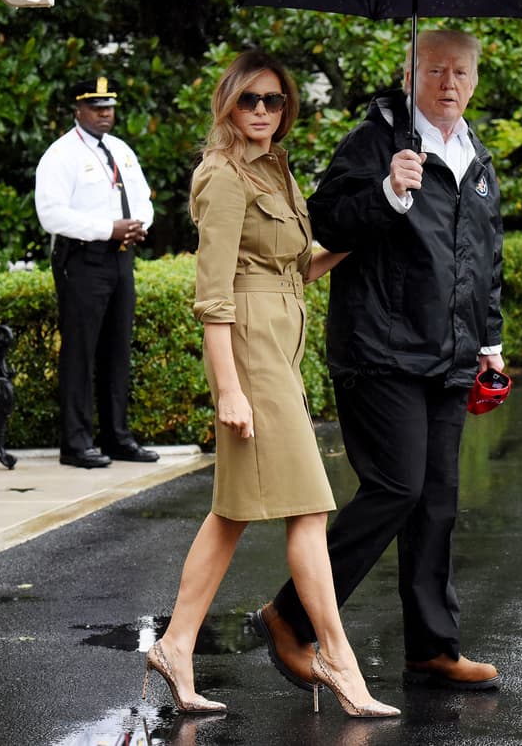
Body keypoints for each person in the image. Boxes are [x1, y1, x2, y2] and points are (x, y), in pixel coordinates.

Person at [141, 50, 399, 719]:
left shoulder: (276, 169)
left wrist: (384, 210)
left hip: (280, 340)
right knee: (310, 507)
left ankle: (175, 644)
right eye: (251, 99)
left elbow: (300, 265)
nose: (263, 111)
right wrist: (227, 387)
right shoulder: (222, 177)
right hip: (249, 347)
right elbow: (214, 296)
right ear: (227, 102)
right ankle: (336, 657)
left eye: (275, 101)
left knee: (231, 511)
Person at [252, 29, 505, 693]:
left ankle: (432, 648)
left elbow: (486, 258)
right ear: (410, 73)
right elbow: (326, 223)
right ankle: (289, 614)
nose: (449, 82)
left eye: (461, 72)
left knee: (437, 502)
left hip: (449, 355)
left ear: (475, 81)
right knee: (398, 486)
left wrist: (490, 340)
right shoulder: (376, 141)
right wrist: (389, 194)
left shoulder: (476, 156)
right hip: (379, 350)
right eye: (435, 70)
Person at [35, 77, 160, 468]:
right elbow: (51, 214)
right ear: (78, 110)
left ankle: (117, 438)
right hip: (83, 259)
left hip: (121, 257)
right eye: (96, 107)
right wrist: (109, 228)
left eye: (109, 107)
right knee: (81, 352)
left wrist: (141, 223)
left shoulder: (121, 150)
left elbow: (142, 197)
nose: (105, 113)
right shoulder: (61, 155)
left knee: (117, 349)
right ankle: (76, 443)